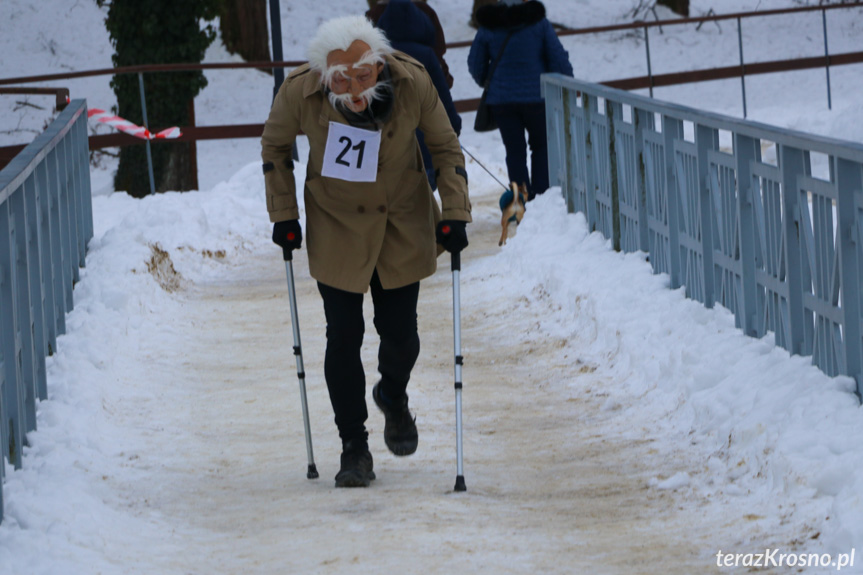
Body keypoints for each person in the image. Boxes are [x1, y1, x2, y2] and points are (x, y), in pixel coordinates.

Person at [261, 15, 472, 488]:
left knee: (402, 337)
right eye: (342, 79)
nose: (355, 88)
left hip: (401, 220)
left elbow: (445, 146)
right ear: (324, 75)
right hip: (337, 225)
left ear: (377, 63)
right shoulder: (301, 91)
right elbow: (274, 146)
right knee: (343, 336)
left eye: (363, 75)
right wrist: (284, 214)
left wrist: (455, 211)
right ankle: (353, 446)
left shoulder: (412, 80)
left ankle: (392, 395)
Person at [468, 0, 573, 201]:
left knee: (514, 152)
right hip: (536, 97)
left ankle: (521, 199)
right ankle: (542, 199)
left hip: (502, 101)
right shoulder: (538, 22)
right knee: (541, 147)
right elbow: (557, 58)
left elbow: (475, 63)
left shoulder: (489, 24)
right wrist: (566, 81)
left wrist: (489, 82)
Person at [373, 0, 462, 191]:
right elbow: (442, 97)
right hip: (426, 148)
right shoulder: (427, 56)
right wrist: (454, 126)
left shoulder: (376, 59)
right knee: (422, 205)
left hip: (387, 150)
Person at [366, 0, 454, 89]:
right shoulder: (424, 10)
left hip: (387, 85)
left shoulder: (374, 14)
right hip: (424, 83)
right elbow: (438, 47)